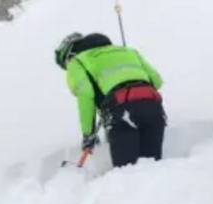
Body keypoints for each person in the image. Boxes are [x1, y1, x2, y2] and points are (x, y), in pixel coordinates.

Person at [54, 32, 166, 167]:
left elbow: (86, 96)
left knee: (126, 172)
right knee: (151, 167)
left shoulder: (77, 62)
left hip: (119, 110)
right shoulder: (129, 52)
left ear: (70, 54)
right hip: (152, 106)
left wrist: (88, 134)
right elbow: (157, 81)